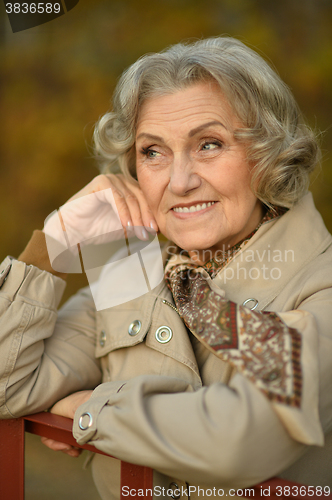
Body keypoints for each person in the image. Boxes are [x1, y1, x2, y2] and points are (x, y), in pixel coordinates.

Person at [0, 36, 331, 500]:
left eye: (209, 144)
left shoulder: (321, 285)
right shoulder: (128, 273)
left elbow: (236, 442)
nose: (179, 181)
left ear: (270, 152)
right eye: (152, 151)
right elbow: (6, 381)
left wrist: (92, 412)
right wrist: (52, 245)